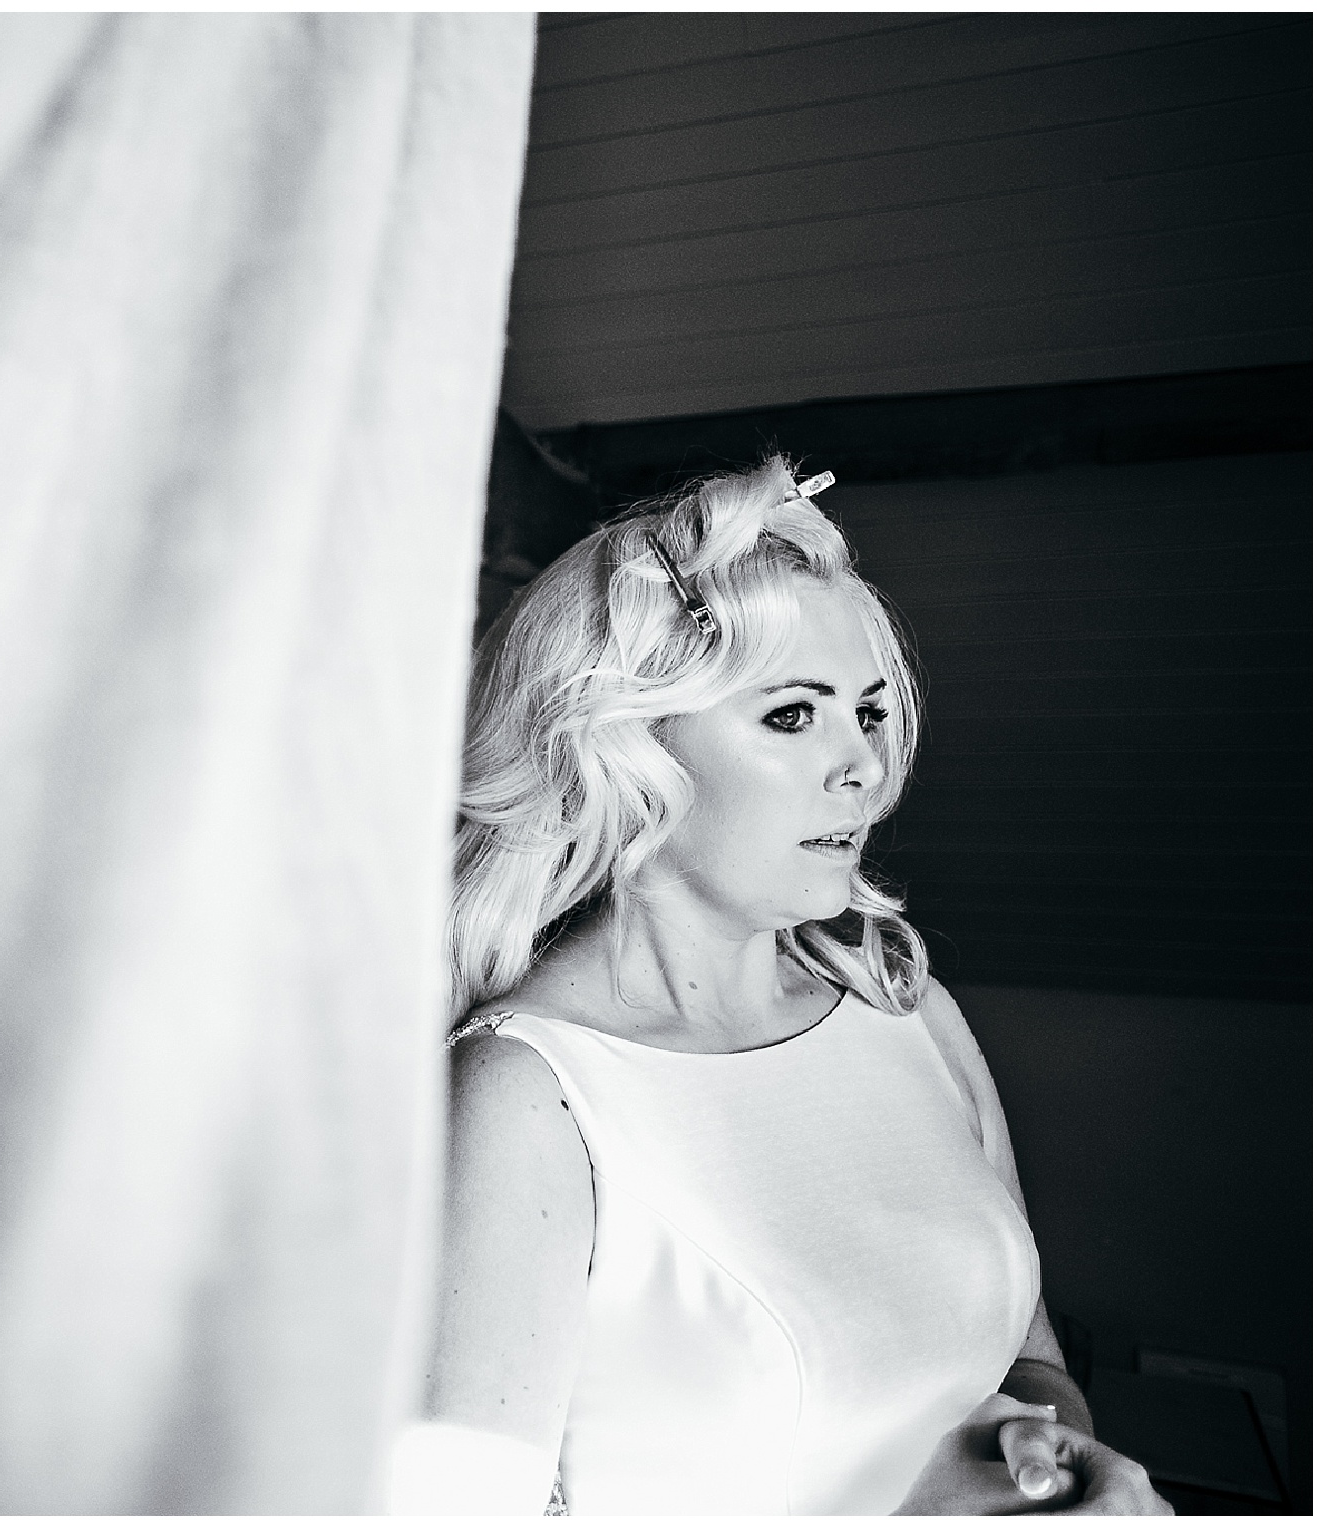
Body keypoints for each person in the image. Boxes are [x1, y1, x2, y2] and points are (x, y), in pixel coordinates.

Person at [387, 458, 1171, 1515]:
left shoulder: (909, 1014)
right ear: (630, 746)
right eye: (793, 716)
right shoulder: (529, 1095)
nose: (864, 766)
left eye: (870, 712)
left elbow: (1028, 1367)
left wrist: (1059, 1458)